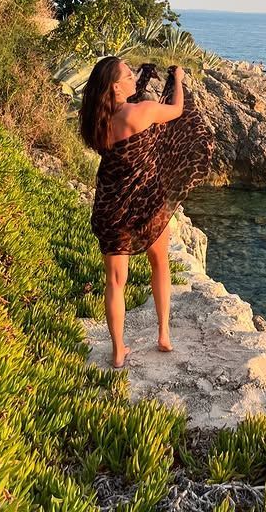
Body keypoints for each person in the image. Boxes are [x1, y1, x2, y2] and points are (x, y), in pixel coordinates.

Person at [78, 57, 214, 368]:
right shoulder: (142, 112)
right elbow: (177, 110)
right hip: (148, 202)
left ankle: (117, 351)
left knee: (115, 281)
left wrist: (141, 80)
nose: (134, 78)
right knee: (160, 264)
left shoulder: (96, 121)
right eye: (129, 76)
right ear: (115, 87)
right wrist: (177, 80)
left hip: (112, 207)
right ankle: (164, 334)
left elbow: (125, 112)